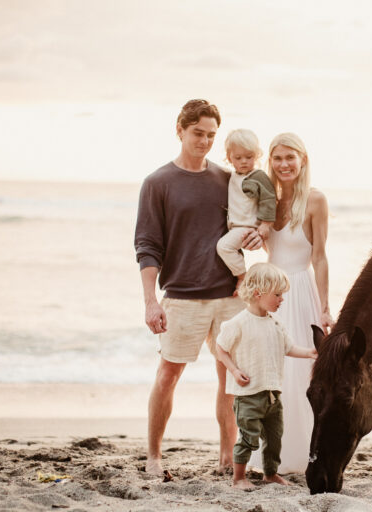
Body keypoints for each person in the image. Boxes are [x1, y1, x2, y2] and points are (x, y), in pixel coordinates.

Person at [134, 99, 259, 476]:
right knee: (168, 375)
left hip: (229, 297)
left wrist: (254, 239)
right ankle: (154, 456)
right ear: (180, 130)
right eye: (197, 133)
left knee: (230, 379)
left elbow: (244, 222)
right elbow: (147, 246)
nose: (204, 141)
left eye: (210, 135)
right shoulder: (158, 183)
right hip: (182, 298)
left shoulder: (227, 179)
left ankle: (226, 456)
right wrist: (150, 301)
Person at [245, 132, 335, 474]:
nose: (283, 165)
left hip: (299, 291)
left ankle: (302, 455)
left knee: (301, 374)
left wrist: (325, 307)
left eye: (289, 158)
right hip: (268, 293)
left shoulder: (315, 200)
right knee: (268, 370)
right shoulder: (266, 201)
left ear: (303, 160)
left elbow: (321, 257)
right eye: (277, 158)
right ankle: (265, 454)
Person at [215, 262, 318, 489]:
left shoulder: (276, 323)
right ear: (258, 293)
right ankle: (239, 478)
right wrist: (233, 369)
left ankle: (270, 473)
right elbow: (220, 348)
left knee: (274, 438)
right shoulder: (238, 323)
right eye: (278, 295)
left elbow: (288, 348)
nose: (282, 300)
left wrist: (310, 353)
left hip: (273, 395)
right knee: (248, 438)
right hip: (249, 395)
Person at [216, 129, 276, 291]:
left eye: (249, 157)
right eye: (238, 157)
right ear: (229, 158)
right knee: (272, 256)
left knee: (224, 247)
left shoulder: (257, 176)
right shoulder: (234, 175)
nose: (243, 161)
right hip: (236, 226)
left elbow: (268, 199)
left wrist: (265, 224)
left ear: (257, 155)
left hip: (246, 227)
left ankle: (243, 277)